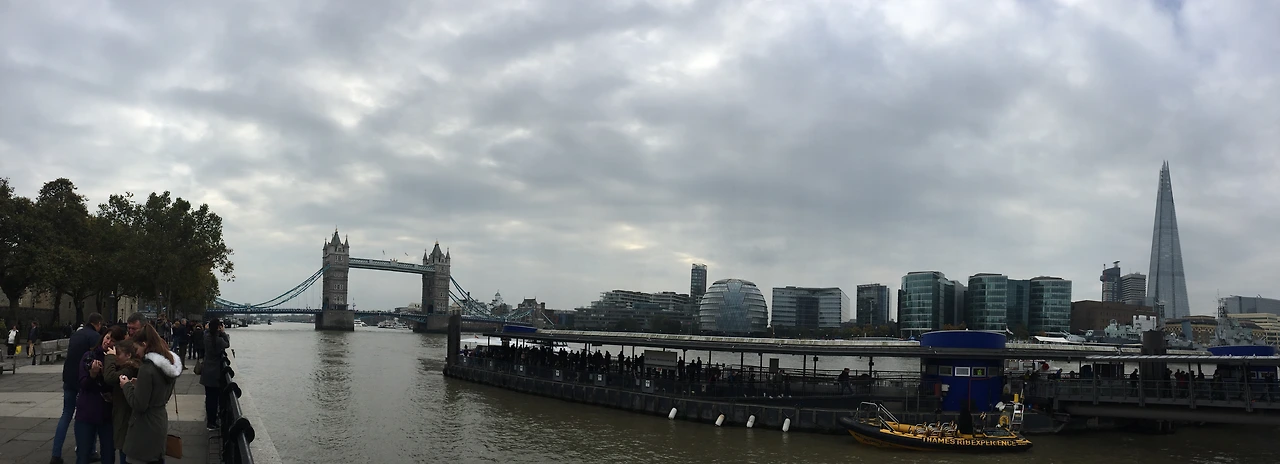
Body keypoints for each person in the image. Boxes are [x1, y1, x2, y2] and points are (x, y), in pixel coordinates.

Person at [120, 324, 183, 464]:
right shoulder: (168, 366)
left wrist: (126, 386)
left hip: (144, 427)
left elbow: (139, 404)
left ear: (144, 344)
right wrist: (140, 384)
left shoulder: (147, 369)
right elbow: (158, 390)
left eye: (137, 348)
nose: (136, 353)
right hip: (159, 421)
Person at [52, 313, 103, 464]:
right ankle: (89, 451)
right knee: (87, 416)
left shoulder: (76, 334)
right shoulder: (95, 336)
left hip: (68, 378)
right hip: (82, 380)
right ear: (98, 324)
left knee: (66, 414)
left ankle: (56, 454)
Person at [75, 330, 115, 464]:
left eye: (113, 340)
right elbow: (82, 383)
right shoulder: (89, 355)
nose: (108, 342)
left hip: (107, 414)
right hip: (87, 412)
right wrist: (92, 374)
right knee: (83, 454)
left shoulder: (117, 361)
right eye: (107, 338)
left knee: (108, 454)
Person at [105, 336, 139, 464]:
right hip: (122, 415)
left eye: (118, 354)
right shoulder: (127, 367)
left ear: (128, 355)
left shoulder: (129, 369)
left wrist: (110, 358)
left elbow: (110, 377)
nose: (116, 357)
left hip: (125, 417)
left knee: (124, 450)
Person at [200, 319, 230, 431]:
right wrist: (223, 332)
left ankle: (210, 421)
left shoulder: (206, 337)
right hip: (215, 372)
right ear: (218, 327)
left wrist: (208, 329)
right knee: (214, 399)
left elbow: (206, 332)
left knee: (209, 398)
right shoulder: (218, 340)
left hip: (206, 370)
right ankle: (212, 422)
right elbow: (227, 344)